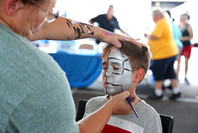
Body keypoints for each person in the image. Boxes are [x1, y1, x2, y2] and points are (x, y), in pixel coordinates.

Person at [0, 0, 140, 132]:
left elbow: (46, 28)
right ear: (12, 6)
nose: (46, 20)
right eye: (46, 11)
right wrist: (110, 108)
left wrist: (103, 34)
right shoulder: (43, 78)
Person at [83, 41, 162, 133]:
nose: (107, 73)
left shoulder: (148, 116)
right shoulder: (92, 105)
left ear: (138, 75)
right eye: (105, 68)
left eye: (116, 68)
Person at [144, 8, 180, 100]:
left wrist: (146, 35)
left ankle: (158, 93)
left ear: (156, 16)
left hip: (163, 54)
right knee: (170, 72)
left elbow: (155, 36)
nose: (152, 19)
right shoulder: (164, 22)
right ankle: (176, 91)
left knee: (158, 73)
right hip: (169, 52)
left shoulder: (161, 23)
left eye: (153, 17)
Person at [176, 13, 193, 85]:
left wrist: (184, 38)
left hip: (187, 46)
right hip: (180, 46)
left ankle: (185, 76)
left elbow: (191, 36)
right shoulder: (178, 26)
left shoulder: (188, 26)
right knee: (178, 62)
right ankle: (177, 76)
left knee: (186, 62)